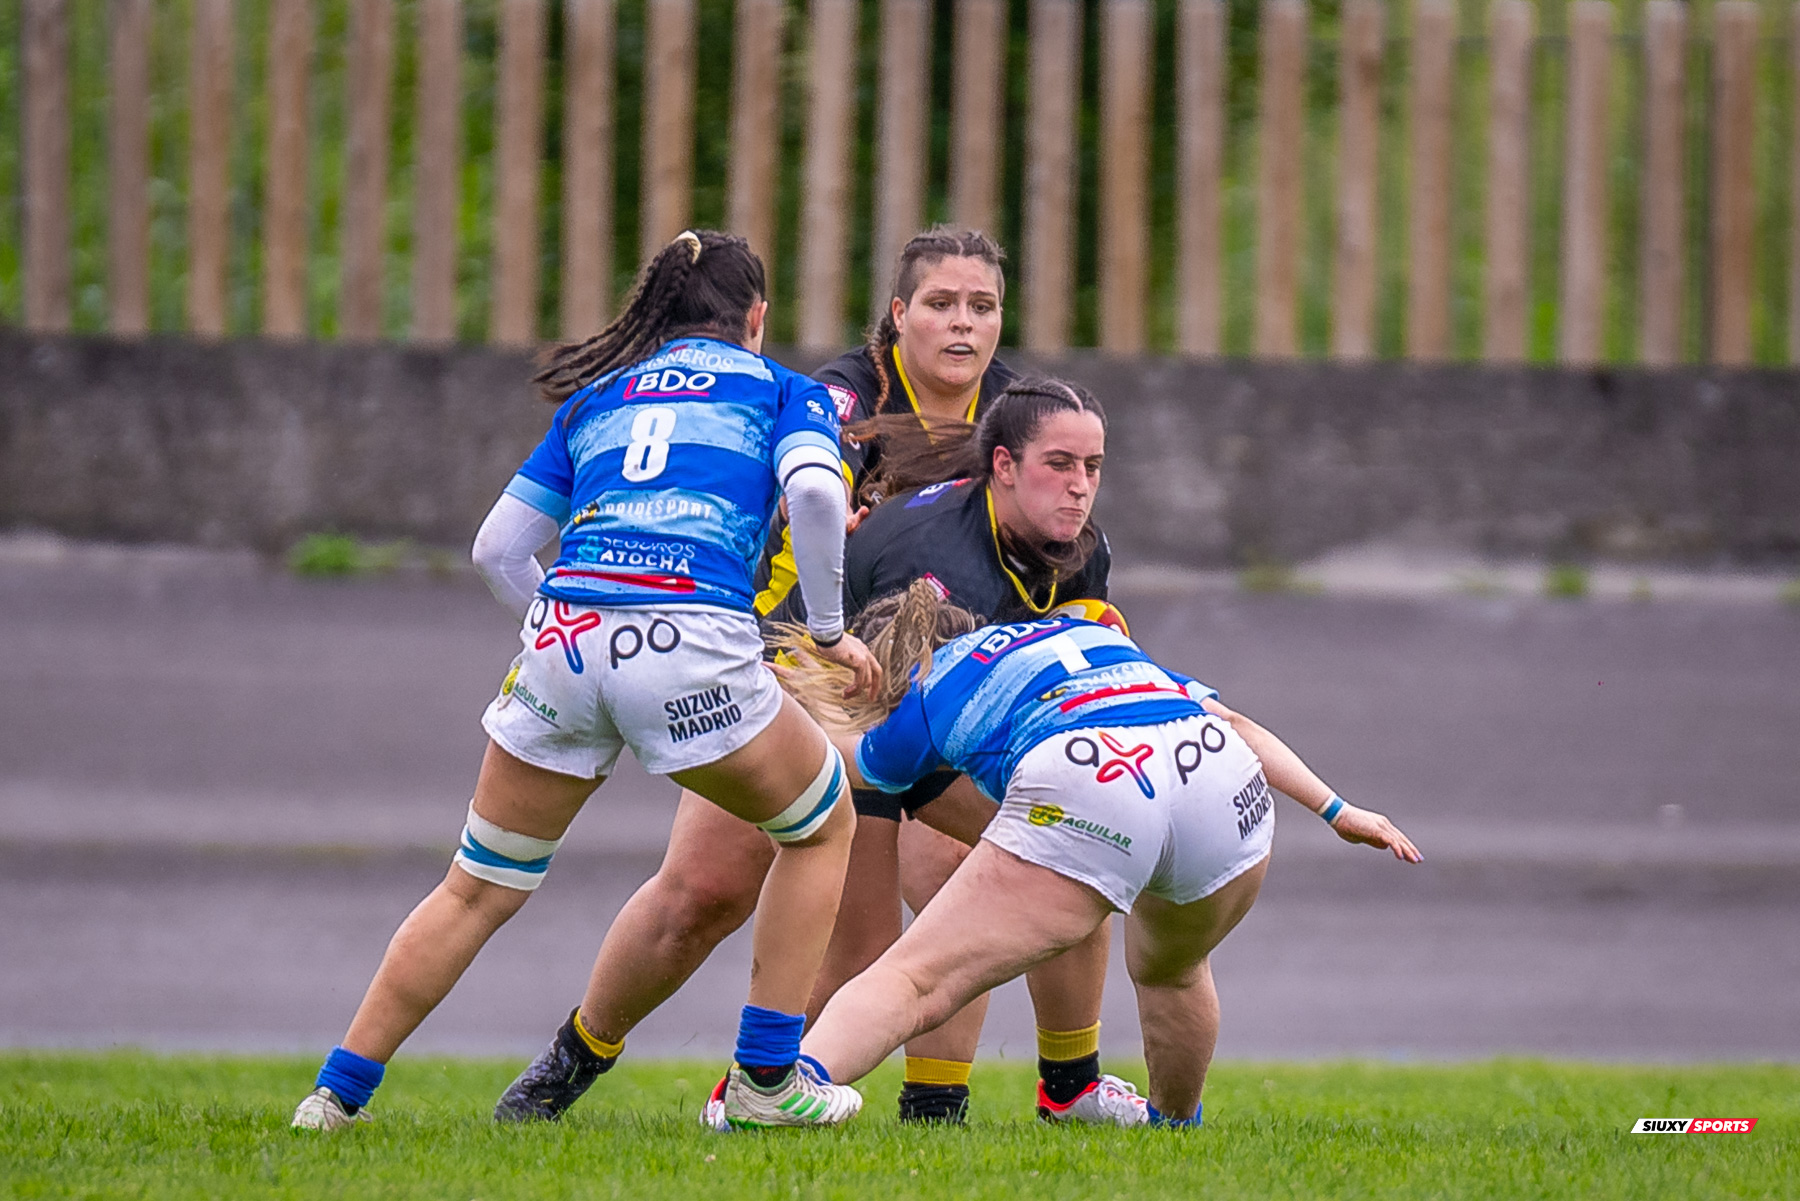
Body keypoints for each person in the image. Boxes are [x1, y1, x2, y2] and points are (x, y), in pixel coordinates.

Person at [289, 229, 879, 1132]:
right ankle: (765, 1081)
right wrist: (832, 633)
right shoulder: (783, 391)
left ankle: (333, 1097)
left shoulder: (598, 398)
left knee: (477, 885)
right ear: (755, 317)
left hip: (564, 640)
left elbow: (497, 549)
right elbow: (815, 494)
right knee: (821, 821)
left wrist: (558, 627)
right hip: (691, 639)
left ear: (659, 315)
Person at [495, 376, 1126, 1127]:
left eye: (1093, 466)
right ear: (1001, 466)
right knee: (700, 896)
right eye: (1062, 464)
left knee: (1069, 848)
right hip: (805, 696)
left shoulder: (1082, 551)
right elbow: (885, 720)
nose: (1080, 485)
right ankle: (583, 1058)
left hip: (916, 717)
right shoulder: (927, 548)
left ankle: (1027, 1093)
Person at [776, 583, 1423, 1126]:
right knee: (1173, 969)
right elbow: (1236, 724)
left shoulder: (927, 685)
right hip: (1220, 776)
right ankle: (1172, 1125)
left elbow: (851, 766)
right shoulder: (1080, 636)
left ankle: (782, 1088)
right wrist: (1339, 811)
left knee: (917, 977)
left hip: (1095, 771)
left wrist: (777, 712)